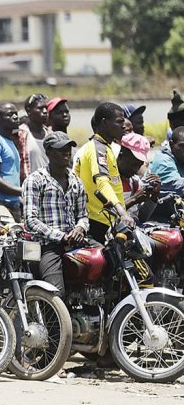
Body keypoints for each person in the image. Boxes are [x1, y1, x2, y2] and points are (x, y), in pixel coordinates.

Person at [21, 132, 89, 294]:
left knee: (108, 261)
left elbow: (83, 216)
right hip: (48, 245)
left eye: (68, 148)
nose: (67, 152)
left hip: (75, 242)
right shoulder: (35, 180)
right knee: (56, 293)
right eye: (61, 149)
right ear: (49, 152)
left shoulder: (76, 180)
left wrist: (80, 228)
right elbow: (30, 221)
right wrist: (61, 236)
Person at [73, 102, 133, 242]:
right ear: (104, 123)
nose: (123, 126)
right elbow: (102, 182)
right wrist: (122, 211)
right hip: (98, 221)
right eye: (119, 122)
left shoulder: (106, 147)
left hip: (109, 219)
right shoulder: (97, 149)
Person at [119, 132, 159, 221]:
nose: (135, 169)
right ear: (121, 155)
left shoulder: (134, 182)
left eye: (139, 165)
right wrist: (134, 199)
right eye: (132, 164)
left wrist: (153, 197)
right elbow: (106, 215)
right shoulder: (107, 179)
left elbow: (140, 218)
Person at [148, 126, 184, 198]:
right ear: (171, 144)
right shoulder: (163, 160)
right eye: (182, 146)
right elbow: (177, 185)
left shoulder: (179, 158)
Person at [21, 93, 49, 173]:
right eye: (40, 108)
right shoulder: (20, 135)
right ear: (28, 110)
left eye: (46, 108)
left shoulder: (50, 135)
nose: (45, 111)